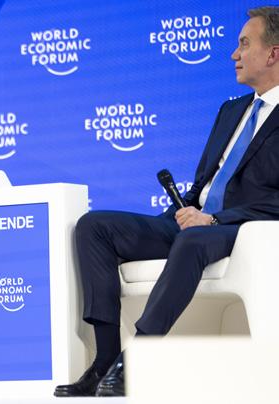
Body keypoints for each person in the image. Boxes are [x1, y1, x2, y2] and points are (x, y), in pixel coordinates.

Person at [55, 6, 279, 397]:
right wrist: (185, 210)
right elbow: (206, 180)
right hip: (195, 221)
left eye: (244, 44)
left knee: (192, 239)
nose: (234, 54)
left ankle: (137, 360)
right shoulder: (232, 110)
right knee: (95, 227)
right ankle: (105, 362)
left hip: (242, 228)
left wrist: (214, 220)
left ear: (273, 53)